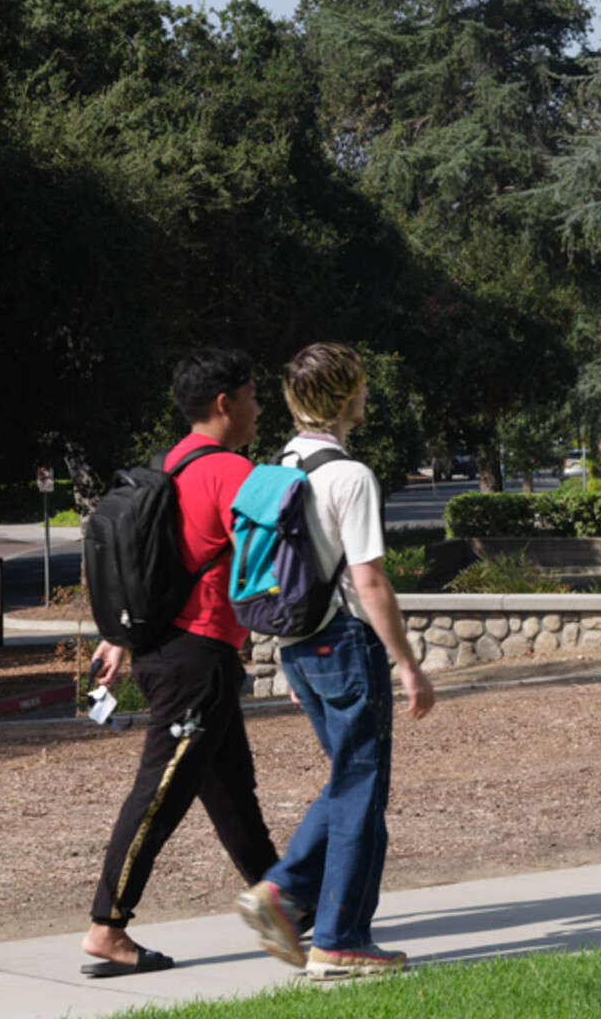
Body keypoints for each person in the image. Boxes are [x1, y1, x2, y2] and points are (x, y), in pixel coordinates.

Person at [234, 343, 436, 979]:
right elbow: (369, 581)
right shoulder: (350, 475)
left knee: (352, 780)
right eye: (363, 387)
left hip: (299, 646)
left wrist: (293, 656)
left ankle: (293, 900)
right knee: (361, 788)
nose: (367, 397)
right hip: (346, 646)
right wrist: (407, 662)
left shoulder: (279, 466)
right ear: (348, 397)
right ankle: (334, 934)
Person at [81, 348, 277, 977]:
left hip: (178, 653)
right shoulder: (230, 471)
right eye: (252, 396)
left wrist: (118, 636)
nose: (257, 407)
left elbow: (146, 570)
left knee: (231, 793)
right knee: (160, 793)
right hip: (197, 659)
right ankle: (107, 928)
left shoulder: (168, 465)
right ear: (226, 403)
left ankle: (284, 905)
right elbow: (265, 570)